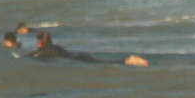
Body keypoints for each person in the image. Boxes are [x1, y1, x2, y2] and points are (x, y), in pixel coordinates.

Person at [16, 30, 149, 66]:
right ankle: (127, 61)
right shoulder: (55, 47)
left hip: (78, 59)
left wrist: (17, 58)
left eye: (38, 43)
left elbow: (32, 56)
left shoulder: (45, 49)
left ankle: (129, 61)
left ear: (41, 42)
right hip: (79, 56)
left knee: (104, 64)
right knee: (103, 63)